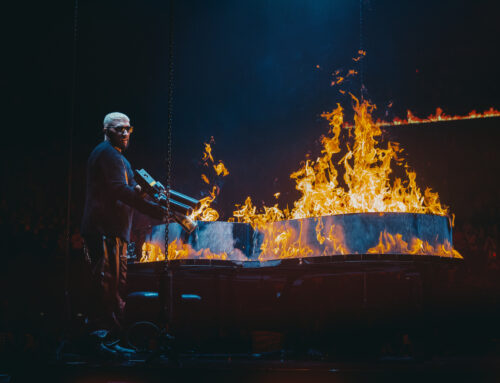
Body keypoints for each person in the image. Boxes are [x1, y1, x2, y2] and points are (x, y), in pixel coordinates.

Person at [81, 112, 165, 354]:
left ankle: (111, 340)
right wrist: (155, 210)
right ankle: (102, 342)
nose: (126, 133)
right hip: (105, 231)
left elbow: (123, 190)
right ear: (107, 131)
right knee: (107, 286)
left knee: (115, 287)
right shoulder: (108, 154)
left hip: (113, 232)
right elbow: (119, 191)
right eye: (119, 129)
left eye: (128, 128)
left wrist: (144, 192)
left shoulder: (117, 158)